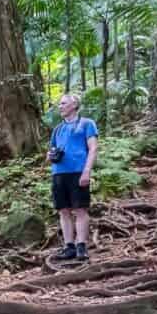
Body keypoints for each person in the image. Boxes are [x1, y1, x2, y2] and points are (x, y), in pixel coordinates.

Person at [47, 94, 98, 261]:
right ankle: (69, 246)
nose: (60, 106)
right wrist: (51, 155)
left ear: (74, 104)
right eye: (59, 104)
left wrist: (87, 171)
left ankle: (81, 246)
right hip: (59, 173)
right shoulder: (57, 129)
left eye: (63, 103)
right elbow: (51, 152)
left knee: (80, 209)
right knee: (63, 210)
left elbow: (92, 148)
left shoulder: (87, 124)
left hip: (78, 171)